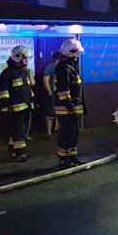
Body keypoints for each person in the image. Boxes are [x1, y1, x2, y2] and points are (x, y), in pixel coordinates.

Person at [0, 45, 35, 162]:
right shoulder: (7, 73)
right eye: (25, 57)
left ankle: (12, 150)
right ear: (17, 57)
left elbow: (27, 89)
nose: (26, 60)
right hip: (15, 108)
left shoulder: (22, 72)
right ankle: (20, 153)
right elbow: (2, 91)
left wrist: (33, 101)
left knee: (17, 131)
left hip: (25, 106)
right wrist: (5, 105)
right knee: (19, 131)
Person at [54, 38, 85, 168]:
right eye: (77, 52)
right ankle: (63, 159)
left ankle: (72, 156)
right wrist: (70, 106)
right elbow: (63, 90)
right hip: (66, 108)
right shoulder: (63, 68)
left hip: (72, 107)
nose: (78, 55)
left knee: (73, 133)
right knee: (66, 134)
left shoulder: (70, 67)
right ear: (70, 52)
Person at [42, 52, 60, 139]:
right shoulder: (50, 67)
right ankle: (49, 133)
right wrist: (49, 92)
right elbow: (45, 80)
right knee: (50, 112)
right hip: (53, 93)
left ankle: (58, 131)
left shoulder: (62, 67)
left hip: (60, 93)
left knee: (59, 112)